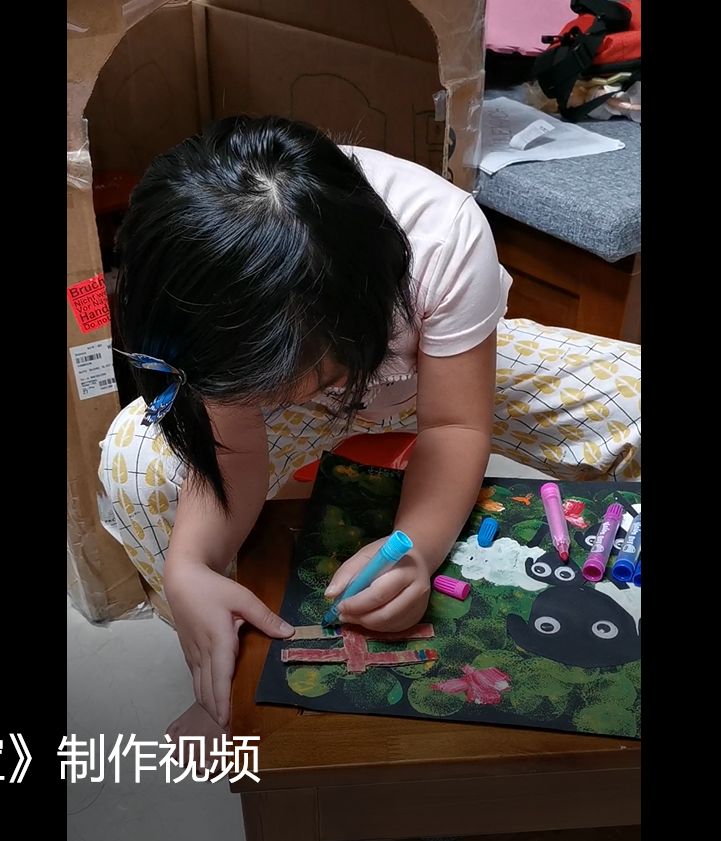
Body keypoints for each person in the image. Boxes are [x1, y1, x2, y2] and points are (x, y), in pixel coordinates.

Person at [97, 115, 641, 739]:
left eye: (302, 374)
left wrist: (417, 549)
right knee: (136, 462)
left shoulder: (443, 237)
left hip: (448, 364)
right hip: (297, 387)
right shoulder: (216, 293)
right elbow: (233, 448)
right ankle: (232, 670)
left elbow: (454, 425)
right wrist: (190, 567)